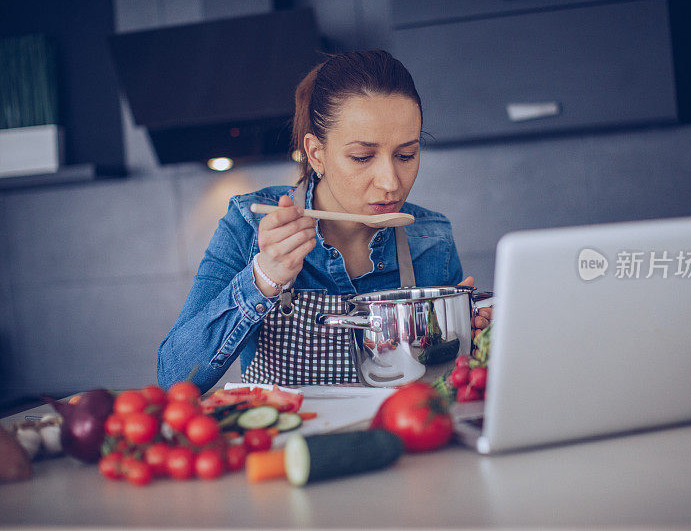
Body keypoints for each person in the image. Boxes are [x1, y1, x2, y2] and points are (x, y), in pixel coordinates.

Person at [157, 50, 491, 392]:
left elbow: (449, 382)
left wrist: (471, 340)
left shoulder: (432, 239)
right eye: (362, 157)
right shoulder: (247, 223)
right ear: (317, 154)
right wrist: (263, 278)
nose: (391, 183)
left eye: (406, 154)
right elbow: (175, 378)